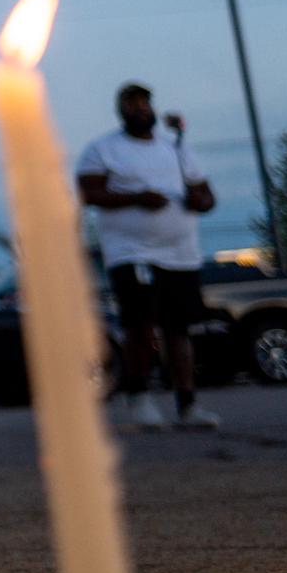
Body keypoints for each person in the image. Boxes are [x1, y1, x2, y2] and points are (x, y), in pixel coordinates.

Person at [77, 85, 218, 431]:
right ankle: (138, 396)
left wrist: (199, 201)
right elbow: (88, 192)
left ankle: (187, 404)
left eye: (144, 102)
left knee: (178, 328)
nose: (140, 108)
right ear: (120, 110)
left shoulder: (175, 149)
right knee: (140, 324)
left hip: (180, 254)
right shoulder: (103, 149)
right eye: (132, 103)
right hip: (132, 253)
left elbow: (206, 194)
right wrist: (136, 198)